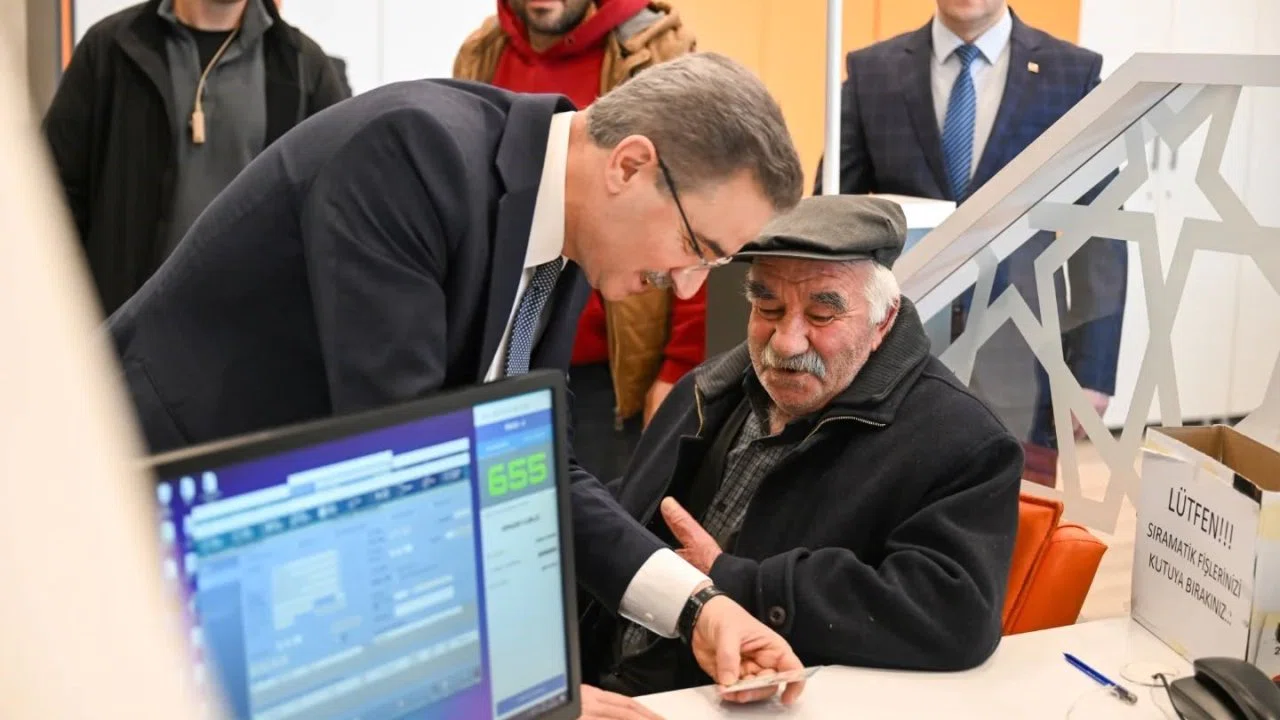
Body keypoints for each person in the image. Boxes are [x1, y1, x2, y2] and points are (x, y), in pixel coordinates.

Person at [105, 52, 809, 709]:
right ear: (629, 165)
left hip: (270, 540)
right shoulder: (413, 154)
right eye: (695, 247)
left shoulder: (563, 233)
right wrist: (518, 690)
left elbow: (534, 464)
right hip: (139, 513)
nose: (686, 287)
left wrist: (697, 606)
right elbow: (402, 464)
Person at [581, 195, 1024, 696]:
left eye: (822, 315)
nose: (786, 342)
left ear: (883, 320)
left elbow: (955, 615)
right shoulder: (710, 389)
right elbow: (622, 511)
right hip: (600, 680)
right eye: (768, 308)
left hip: (729, 700)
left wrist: (736, 582)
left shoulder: (962, 441)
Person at [819, 0, 1127, 484]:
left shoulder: (1072, 75)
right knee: (889, 504)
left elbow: (1100, 230)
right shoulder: (872, 74)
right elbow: (833, 222)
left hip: (1023, 359)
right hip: (894, 351)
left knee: (1014, 516)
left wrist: (1092, 371)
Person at [454, 0, 702, 483]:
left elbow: (695, 227)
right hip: (497, 356)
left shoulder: (655, 52)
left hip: (608, 373)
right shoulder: (482, 50)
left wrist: (680, 366)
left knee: (594, 508)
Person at [42, 0, 349, 317]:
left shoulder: (303, 66)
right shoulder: (111, 49)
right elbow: (51, 197)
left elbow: (334, 219)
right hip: (125, 327)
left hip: (248, 330)